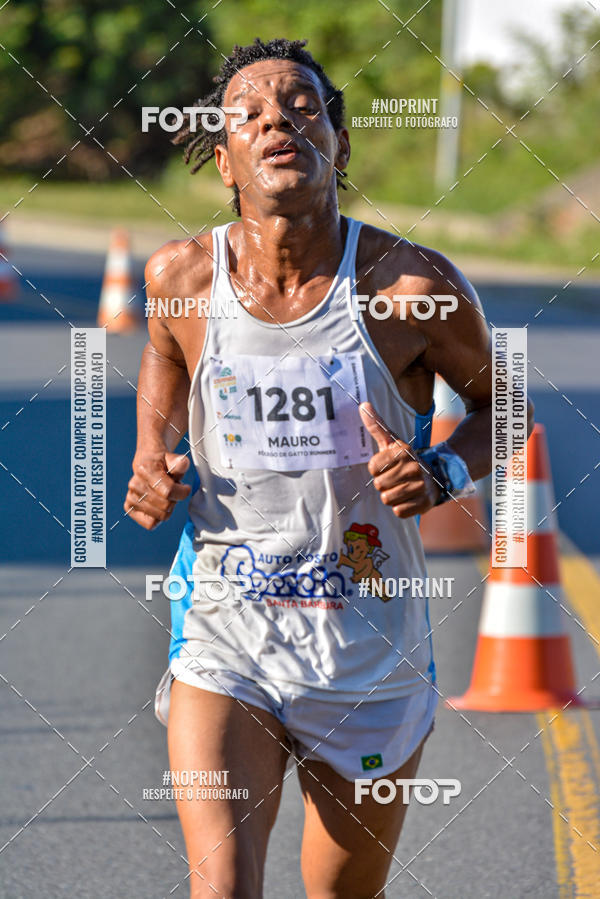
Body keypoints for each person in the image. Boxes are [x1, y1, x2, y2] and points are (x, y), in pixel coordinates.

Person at [125, 37, 533, 899]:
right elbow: (164, 351)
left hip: (367, 642)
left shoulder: (410, 289)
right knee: (223, 886)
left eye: (303, 106)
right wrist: (148, 455)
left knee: (342, 892)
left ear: (339, 146)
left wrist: (443, 474)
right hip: (227, 631)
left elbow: (510, 407)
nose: (278, 119)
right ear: (225, 157)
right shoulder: (182, 277)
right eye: (251, 112)